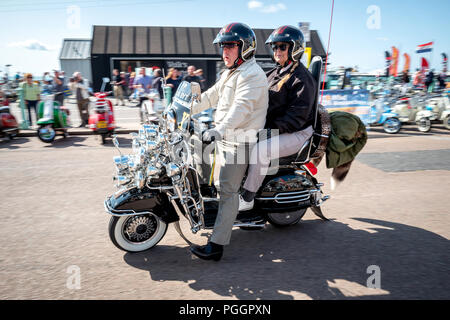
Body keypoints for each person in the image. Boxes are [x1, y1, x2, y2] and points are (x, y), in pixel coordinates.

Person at [189, 23, 269, 261]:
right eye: (223, 46)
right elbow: (210, 96)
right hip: (226, 135)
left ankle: (217, 245)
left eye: (231, 46)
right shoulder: (230, 73)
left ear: (245, 48)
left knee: (227, 189)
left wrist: (219, 130)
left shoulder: (253, 75)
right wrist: (179, 109)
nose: (225, 51)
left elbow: (241, 109)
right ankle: (205, 201)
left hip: (241, 140)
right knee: (194, 145)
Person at [239, 25, 316, 211]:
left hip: (297, 132)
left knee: (261, 150)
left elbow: (296, 117)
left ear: (294, 48)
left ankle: (247, 197)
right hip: (276, 128)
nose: (277, 51)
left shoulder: (302, 78)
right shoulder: (275, 72)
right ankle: (235, 185)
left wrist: (266, 131)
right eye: (274, 47)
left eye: (282, 46)